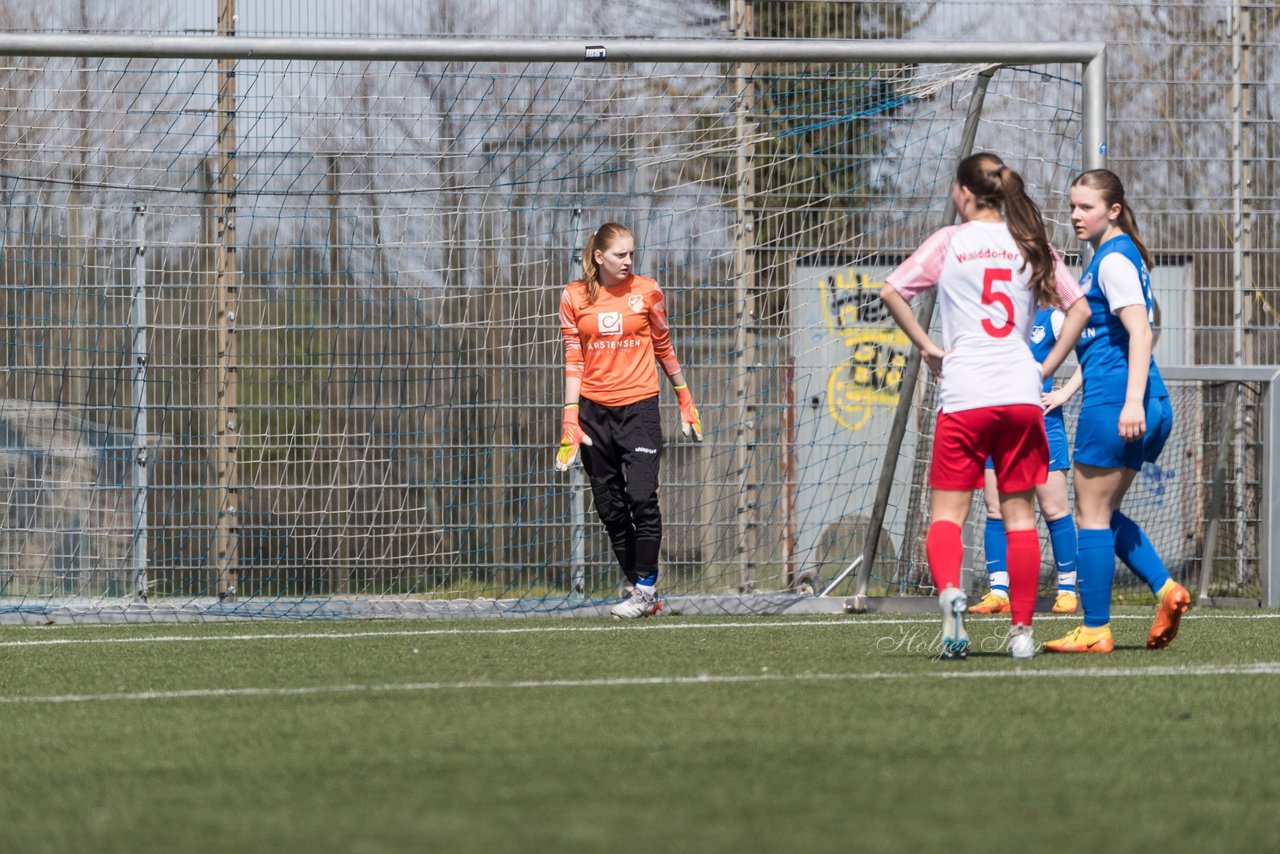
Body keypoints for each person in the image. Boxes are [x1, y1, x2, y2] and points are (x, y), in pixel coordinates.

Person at [880, 152, 1088, 660]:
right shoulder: (1028, 242)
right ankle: (1021, 632)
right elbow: (1079, 307)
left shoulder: (950, 242)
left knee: (948, 518)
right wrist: (1043, 368)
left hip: (964, 394)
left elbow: (892, 290)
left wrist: (928, 347)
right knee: (1020, 517)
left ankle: (951, 594)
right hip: (1019, 397)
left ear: (963, 193)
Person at [1044, 170, 1190, 653]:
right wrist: (1069, 389)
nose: (1074, 215)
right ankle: (1166, 590)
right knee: (1103, 514)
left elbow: (1142, 332)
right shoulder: (1111, 259)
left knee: (1090, 516)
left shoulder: (1113, 260)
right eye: (1072, 206)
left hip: (1119, 402)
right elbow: (1107, 339)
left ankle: (1095, 629)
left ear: (1112, 210)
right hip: (1135, 399)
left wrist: (1129, 402)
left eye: (1085, 207)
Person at [555, 222, 703, 619]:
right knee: (610, 509)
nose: (628, 261)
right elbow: (574, 358)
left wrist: (684, 397)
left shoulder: (648, 290)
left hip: (639, 409)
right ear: (599, 257)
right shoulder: (572, 297)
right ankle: (644, 591)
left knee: (641, 497)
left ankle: (644, 590)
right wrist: (571, 418)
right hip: (593, 415)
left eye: (632, 254)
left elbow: (663, 345)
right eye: (620, 255)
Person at [968, 307, 1083, 616]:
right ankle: (998, 592)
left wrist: (1065, 393)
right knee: (995, 508)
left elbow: (1092, 350)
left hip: (1042, 427)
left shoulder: (1052, 319)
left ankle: (1067, 590)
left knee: (1054, 509)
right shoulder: (994, 319)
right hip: (997, 425)